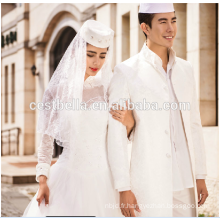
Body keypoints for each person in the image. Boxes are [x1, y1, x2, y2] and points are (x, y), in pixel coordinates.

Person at [22, 20, 135, 217]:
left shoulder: (108, 89)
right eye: (90, 54)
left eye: (102, 55)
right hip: (67, 176)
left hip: (104, 179)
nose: (96, 62)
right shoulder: (56, 91)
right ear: (76, 52)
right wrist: (42, 180)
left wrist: (129, 122)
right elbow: (46, 142)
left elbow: (118, 137)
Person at [107, 3, 208, 217]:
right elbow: (115, 136)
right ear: (145, 27)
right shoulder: (125, 71)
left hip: (186, 180)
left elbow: (194, 124)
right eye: (162, 22)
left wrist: (200, 174)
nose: (170, 28)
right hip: (149, 182)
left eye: (173, 20)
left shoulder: (186, 69)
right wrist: (123, 187)